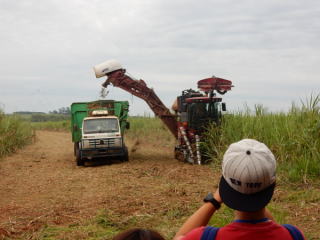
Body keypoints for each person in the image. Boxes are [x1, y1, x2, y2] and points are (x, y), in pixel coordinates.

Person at [173, 139, 305, 240]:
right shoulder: (294, 235)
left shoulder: (205, 237)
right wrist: (255, 195)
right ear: (273, 185)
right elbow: (274, 228)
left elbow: (179, 237)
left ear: (224, 186)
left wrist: (214, 201)